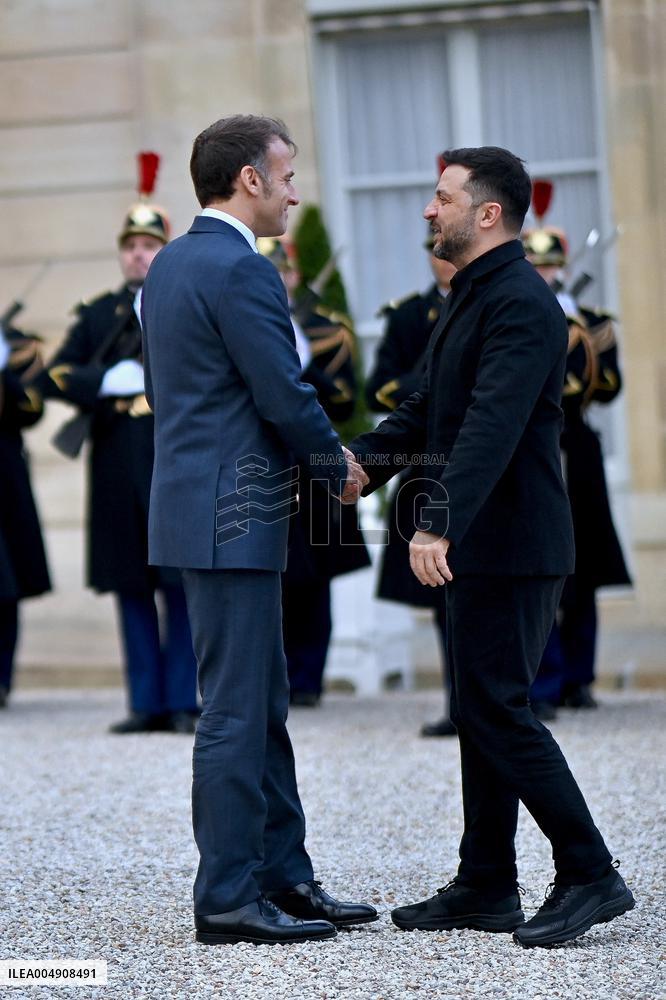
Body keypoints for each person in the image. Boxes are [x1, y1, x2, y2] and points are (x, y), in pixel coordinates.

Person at [349, 146, 634, 948]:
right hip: (489, 541)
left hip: (512, 542)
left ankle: (588, 870)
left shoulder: (518, 302)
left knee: (500, 709)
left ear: (487, 213)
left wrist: (435, 519)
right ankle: (486, 881)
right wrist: (360, 468)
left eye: (441, 198)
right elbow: (428, 408)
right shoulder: (472, 297)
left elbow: (490, 429)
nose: (428, 210)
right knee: (479, 708)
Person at [141, 114, 376, 946]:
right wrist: (339, 467)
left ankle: (285, 875)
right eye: (286, 175)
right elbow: (281, 391)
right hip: (227, 518)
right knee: (237, 711)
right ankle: (228, 895)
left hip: (205, 512)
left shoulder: (170, 263)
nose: (293, 191)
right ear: (248, 180)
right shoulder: (240, 269)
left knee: (261, 702)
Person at [32, 193, 199, 734]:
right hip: (113, 465)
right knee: (132, 586)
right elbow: (55, 374)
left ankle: (181, 700)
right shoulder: (99, 314)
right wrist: (104, 381)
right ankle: (145, 701)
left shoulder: (181, 302)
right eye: (130, 246)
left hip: (170, 456)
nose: (138, 256)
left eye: (149, 245)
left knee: (179, 584)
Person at [522, 225, 631, 716]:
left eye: (551, 266)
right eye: (537, 266)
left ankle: (578, 678)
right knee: (541, 565)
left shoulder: (592, 322)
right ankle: (544, 681)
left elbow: (606, 386)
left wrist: (574, 337)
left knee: (583, 568)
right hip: (534, 443)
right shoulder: (520, 314)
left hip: (577, 447)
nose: (546, 274)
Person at [258, 238, 370, 707]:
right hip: (265, 464)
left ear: (293, 278)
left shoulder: (326, 330)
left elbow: (345, 399)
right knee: (271, 572)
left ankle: (308, 678)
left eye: (280, 273)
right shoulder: (247, 325)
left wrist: (305, 366)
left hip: (314, 465)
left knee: (315, 574)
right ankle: (275, 678)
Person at [366, 237, 456, 736]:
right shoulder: (409, 316)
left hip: (481, 460)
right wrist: (427, 384)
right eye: (433, 249)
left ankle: (532, 696)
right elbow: (377, 385)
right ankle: (457, 702)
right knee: (445, 597)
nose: (441, 256)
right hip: (426, 462)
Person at [0, 323, 51, 706]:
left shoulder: (16, 342)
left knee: (6, 584)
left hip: (4, 481)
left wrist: (3, 371)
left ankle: (2, 679)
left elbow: (32, 407)